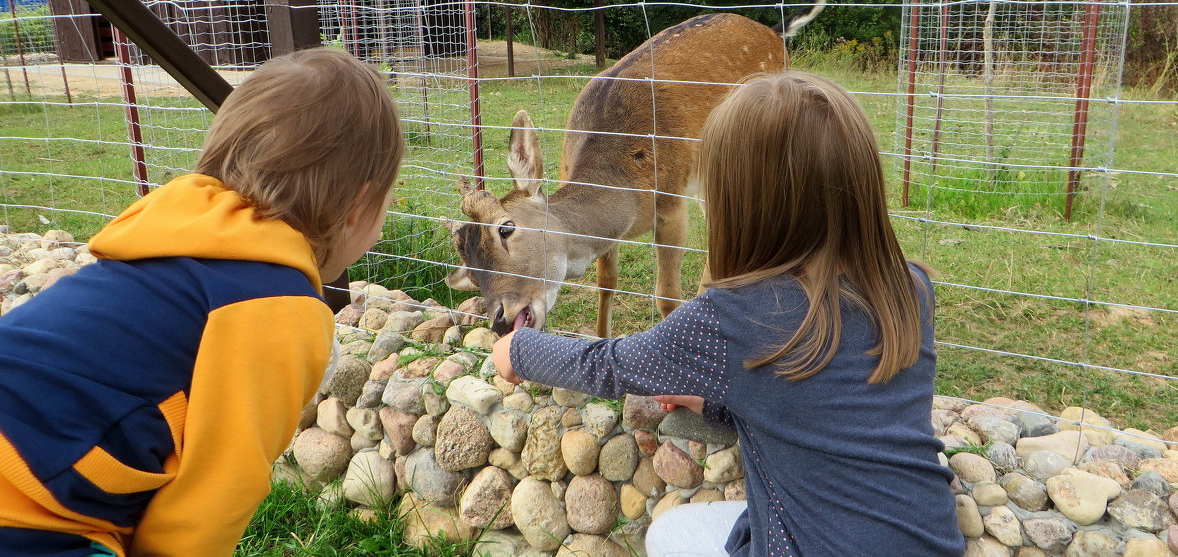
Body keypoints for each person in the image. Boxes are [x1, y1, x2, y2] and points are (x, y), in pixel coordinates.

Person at [491, 72, 963, 556]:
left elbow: (609, 365)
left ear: (743, 205)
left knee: (670, 534)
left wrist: (517, 348)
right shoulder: (909, 288)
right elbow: (819, 407)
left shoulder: (734, 317)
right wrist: (711, 402)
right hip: (934, 542)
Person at [0, 47, 404, 556]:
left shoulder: (169, 237)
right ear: (356, 207)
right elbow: (213, 497)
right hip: (29, 511)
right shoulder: (275, 306)